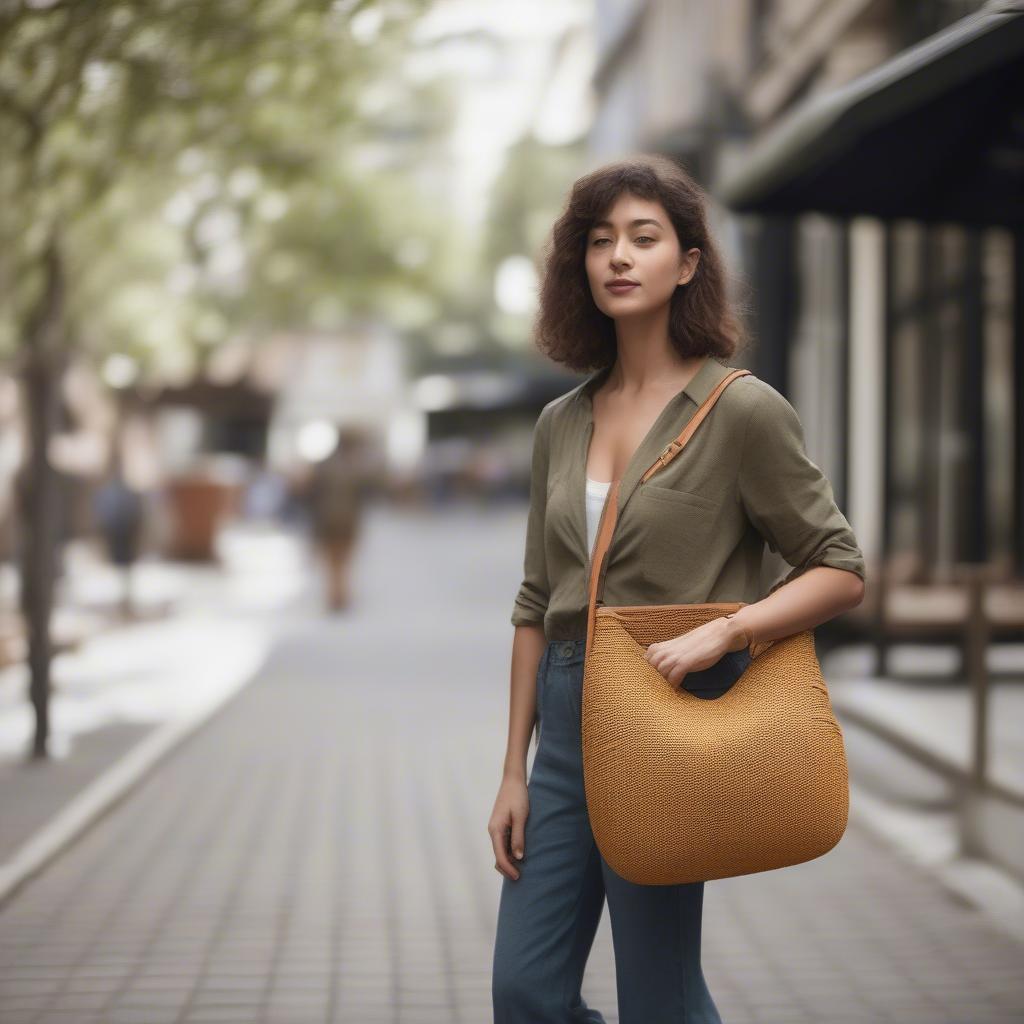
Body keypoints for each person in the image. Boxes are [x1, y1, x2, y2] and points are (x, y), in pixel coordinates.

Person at [489, 154, 867, 1023]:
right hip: (563, 727)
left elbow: (839, 568)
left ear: (688, 261)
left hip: (663, 710)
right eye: (599, 241)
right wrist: (514, 769)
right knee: (524, 992)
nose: (618, 257)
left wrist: (728, 633)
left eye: (643, 238)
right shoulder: (562, 420)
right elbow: (531, 601)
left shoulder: (742, 410)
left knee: (658, 998)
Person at [306, 428, 370, 611]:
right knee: (339, 563)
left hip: (334, 520)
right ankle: (338, 596)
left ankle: (337, 596)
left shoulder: (325, 466)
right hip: (340, 520)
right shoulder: (353, 468)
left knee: (336, 563)